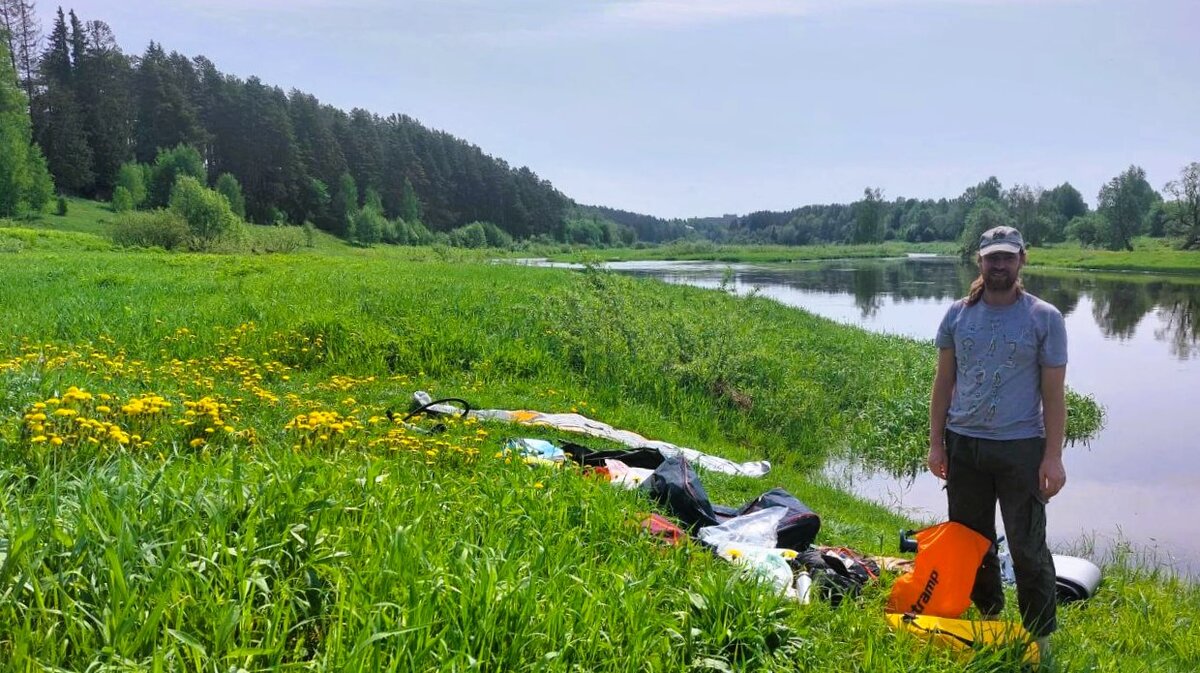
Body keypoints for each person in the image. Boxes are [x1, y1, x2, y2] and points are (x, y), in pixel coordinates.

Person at [927, 225, 1067, 655]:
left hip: (1021, 447)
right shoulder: (956, 314)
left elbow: (1054, 394)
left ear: (1022, 259)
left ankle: (1040, 639)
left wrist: (1053, 458)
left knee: (1027, 547)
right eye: (992, 257)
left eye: (1008, 257)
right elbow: (943, 382)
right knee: (973, 542)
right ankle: (989, 623)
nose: (1000, 265)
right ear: (980, 261)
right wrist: (936, 442)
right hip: (964, 444)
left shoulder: (1045, 317)